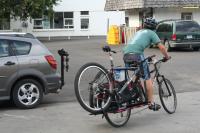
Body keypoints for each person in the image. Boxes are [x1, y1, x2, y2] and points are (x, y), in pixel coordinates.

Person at [123, 17, 170, 111]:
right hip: (137, 55)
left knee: (138, 73)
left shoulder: (138, 32)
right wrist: (167, 56)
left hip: (126, 55)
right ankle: (151, 103)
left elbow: (135, 45)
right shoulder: (152, 33)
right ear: (154, 27)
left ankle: (136, 93)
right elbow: (162, 48)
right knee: (147, 78)